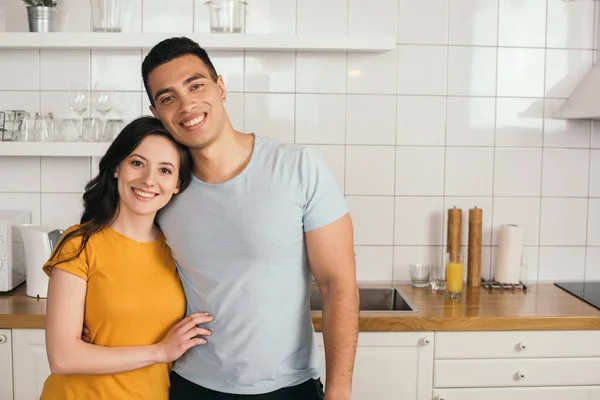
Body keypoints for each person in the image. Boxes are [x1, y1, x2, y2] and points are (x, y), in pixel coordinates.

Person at [141, 36, 360, 399]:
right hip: (192, 387)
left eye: (196, 85)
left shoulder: (297, 167)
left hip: (289, 388)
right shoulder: (164, 189)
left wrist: (339, 392)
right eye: (168, 98)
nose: (186, 104)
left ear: (221, 87)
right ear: (156, 114)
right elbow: (124, 256)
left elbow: (338, 284)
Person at [41, 116, 214, 400]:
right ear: (117, 167)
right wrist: (160, 351)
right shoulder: (79, 243)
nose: (149, 180)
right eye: (137, 163)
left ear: (177, 185)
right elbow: (62, 357)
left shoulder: (178, 252)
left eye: (165, 170)